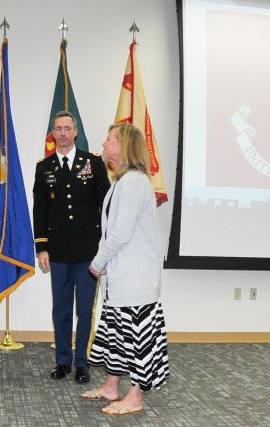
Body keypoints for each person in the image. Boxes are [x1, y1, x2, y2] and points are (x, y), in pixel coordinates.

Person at [82, 123, 169, 415]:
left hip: (135, 281)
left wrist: (97, 263)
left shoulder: (133, 182)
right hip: (120, 280)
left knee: (136, 341)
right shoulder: (122, 182)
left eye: (109, 139)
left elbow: (120, 233)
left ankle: (135, 397)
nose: (104, 143)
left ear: (124, 146)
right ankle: (111, 387)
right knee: (117, 338)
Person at [33, 111, 110, 383]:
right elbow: (40, 209)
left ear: (75, 132)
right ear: (52, 134)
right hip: (59, 252)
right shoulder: (45, 167)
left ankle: (82, 363)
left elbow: (106, 206)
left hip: (89, 251)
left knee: (85, 309)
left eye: (67, 128)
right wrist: (41, 247)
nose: (63, 133)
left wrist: (106, 247)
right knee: (61, 309)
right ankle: (63, 361)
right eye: (58, 129)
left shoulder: (93, 163)